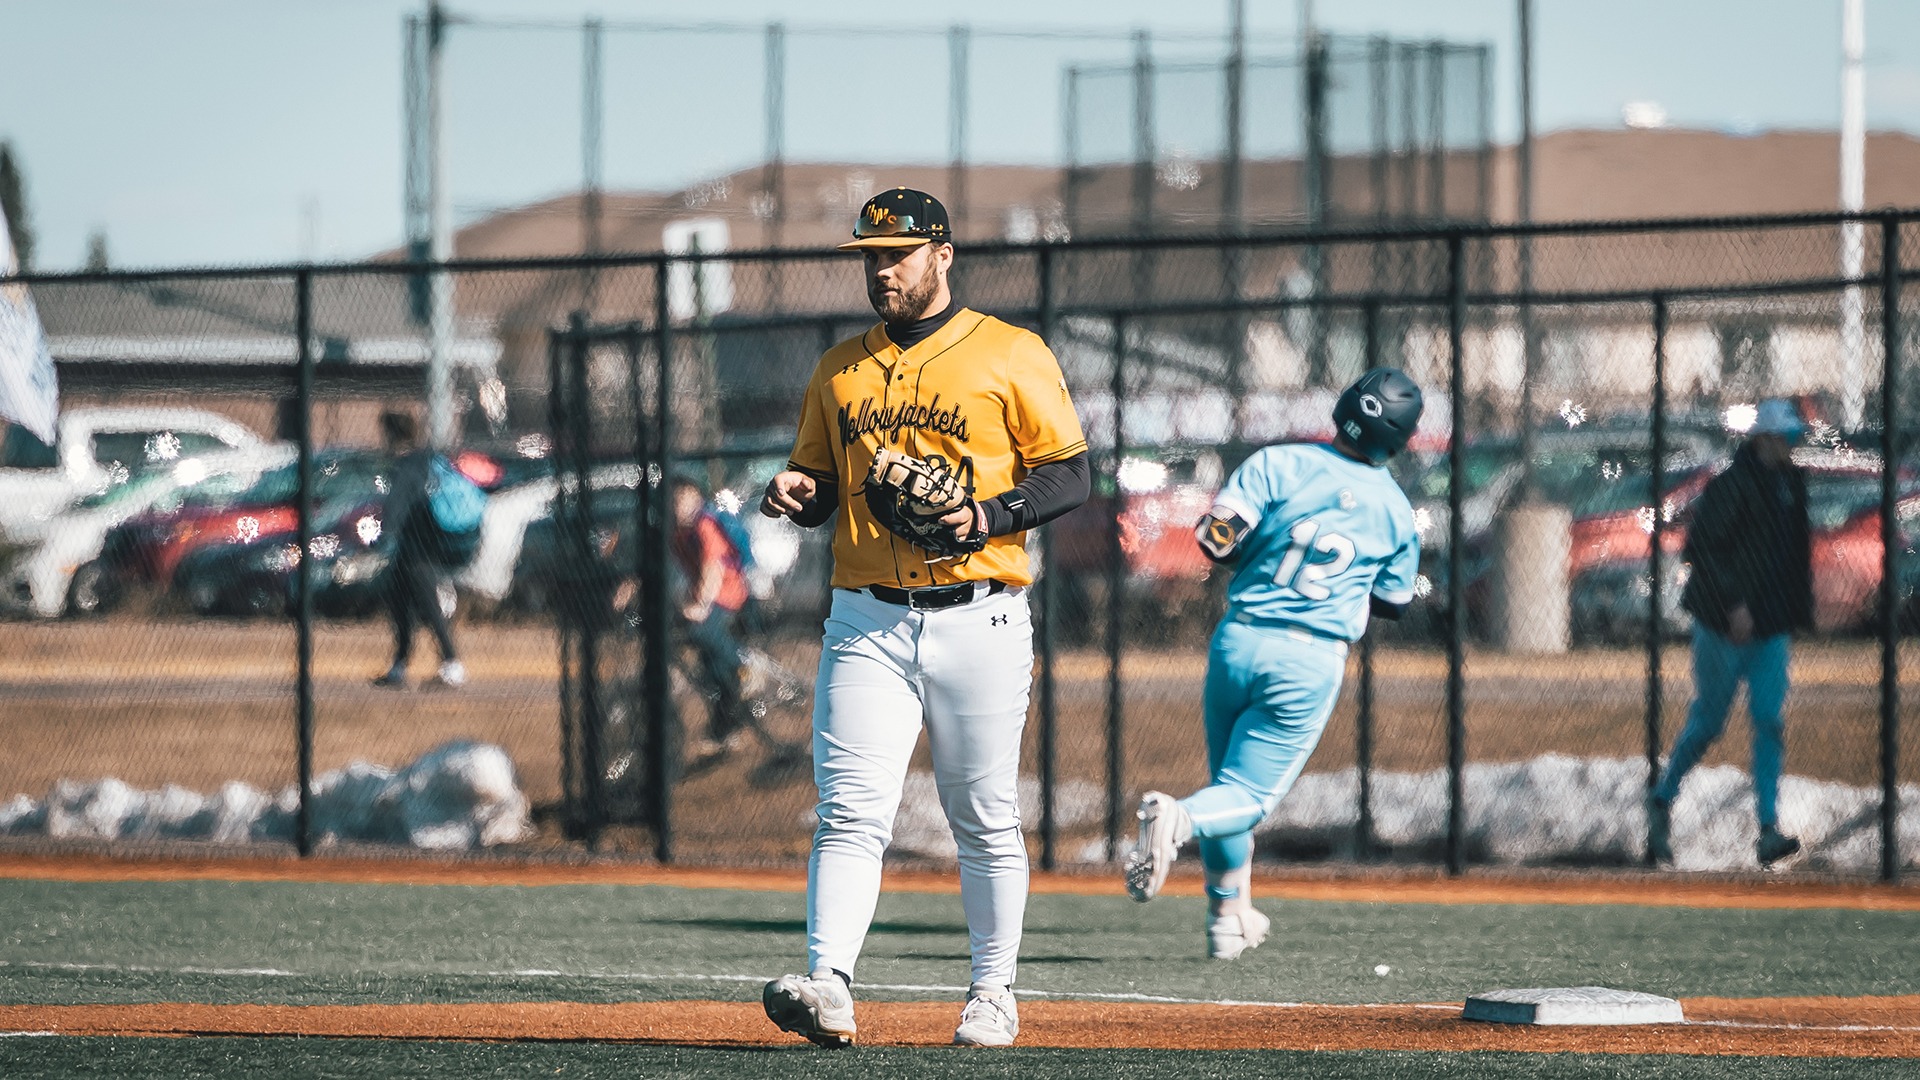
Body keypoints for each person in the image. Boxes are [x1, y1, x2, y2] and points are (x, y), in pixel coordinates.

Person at [757, 188, 1089, 1048]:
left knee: (981, 813)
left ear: (943, 254)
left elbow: (1071, 475)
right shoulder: (839, 368)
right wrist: (797, 492)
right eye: (871, 256)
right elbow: (819, 479)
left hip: (979, 615)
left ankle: (993, 993)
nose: (880, 270)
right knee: (849, 810)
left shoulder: (1010, 352)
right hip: (865, 616)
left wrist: (987, 515)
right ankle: (829, 983)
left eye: (896, 254)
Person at [1123, 369, 1423, 961]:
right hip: (1309, 657)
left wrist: (1256, 548)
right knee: (1245, 797)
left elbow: (1216, 537)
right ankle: (1176, 821)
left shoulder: (1278, 463)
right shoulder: (1394, 509)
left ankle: (1226, 917)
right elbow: (1394, 601)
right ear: (1400, 439)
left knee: (1226, 788)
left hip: (1238, 639)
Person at [1647, 398, 1811, 868]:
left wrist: (1795, 612)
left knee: (1768, 720)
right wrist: (1735, 604)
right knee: (1709, 723)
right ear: (1764, 439)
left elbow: (1792, 559)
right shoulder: (1732, 486)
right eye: (1784, 437)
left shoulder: (1791, 486)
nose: (1790, 446)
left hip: (1770, 628)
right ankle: (1662, 799)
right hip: (1723, 627)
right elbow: (1702, 550)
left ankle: (1767, 828)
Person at [371, 410, 465, 690]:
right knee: (400, 603)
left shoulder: (406, 466)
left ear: (392, 435)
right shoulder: (428, 460)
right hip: (428, 543)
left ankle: (452, 664)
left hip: (417, 550)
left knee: (428, 606)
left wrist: (383, 535)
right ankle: (399, 666)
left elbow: (396, 506)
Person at [670, 474, 752, 758]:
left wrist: (701, 605)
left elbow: (712, 570)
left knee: (702, 632)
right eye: (674, 500)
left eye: (684, 499)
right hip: (707, 595)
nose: (678, 506)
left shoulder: (705, 525)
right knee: (712, 670)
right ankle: (726, 728)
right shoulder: (678, 533)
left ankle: (749, 668)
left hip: (727, 594)